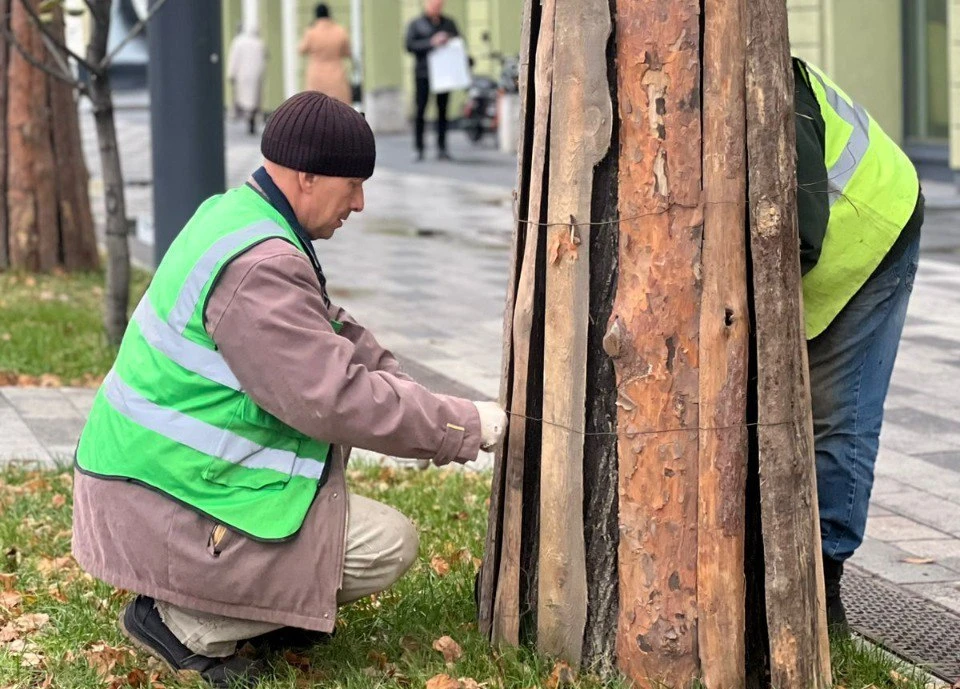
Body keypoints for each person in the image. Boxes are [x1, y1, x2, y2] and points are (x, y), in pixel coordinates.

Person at [71, 92, 508, 688]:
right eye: (352, 184)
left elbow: (331, 331)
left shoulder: (237, 216)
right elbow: (334, 397)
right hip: (165, 507)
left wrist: (416, 393)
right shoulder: (260, 265)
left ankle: (255, 611)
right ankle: (180, 623)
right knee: (387, 544)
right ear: (305, 176)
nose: (359, 203)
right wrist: (461, 427)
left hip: (156, 486)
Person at [793, 57, 923, 631]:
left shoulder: (773, 94)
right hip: (831, 237)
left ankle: (825, 583)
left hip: (874, 227)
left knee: (838, 412)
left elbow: (795, 240)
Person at [405, 0, 460, 161]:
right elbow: (409, 45)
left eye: (439, 4)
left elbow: (458, 42)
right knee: (420, 110)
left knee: (443, 111)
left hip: (444, 74)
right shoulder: (416, 24)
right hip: (423, 73)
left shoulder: (449, 23)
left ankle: (442, 147)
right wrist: (431, 42)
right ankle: (418, 148)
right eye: (433, 4)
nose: (436, 7)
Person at [299, 3, 352, 105]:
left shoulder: (311, 32)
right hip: (337, 76)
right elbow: (347, 52)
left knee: (316, 107)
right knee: (339, 107)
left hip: (316, 75)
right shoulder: (340, 31)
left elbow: (301, 49)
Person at [227, 26, 268, 135]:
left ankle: (247, 118)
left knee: (244, 98)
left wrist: (231, 73)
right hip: (255, 75)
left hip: (242, 75)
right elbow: (263, 61)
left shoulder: (238, 42)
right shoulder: (259, 43)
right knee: (254, 99)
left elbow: (233, 59)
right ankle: (252, 119)